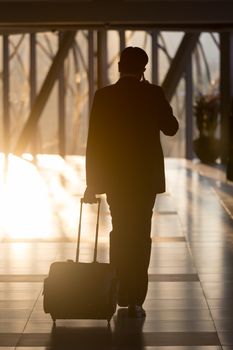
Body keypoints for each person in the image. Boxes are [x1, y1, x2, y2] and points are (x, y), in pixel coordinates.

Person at [83, 47, 179, 318]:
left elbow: (95, 143)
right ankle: (137, 295)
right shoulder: (152, 94)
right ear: (143, 70)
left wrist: (93, 183)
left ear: (119, 66)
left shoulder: (104, 96)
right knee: (140, 233)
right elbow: (171, 127)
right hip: (145, 179)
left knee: (121, 230)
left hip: (116, 179)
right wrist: (155, 97)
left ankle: (120, 290)